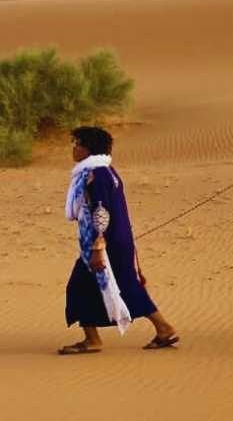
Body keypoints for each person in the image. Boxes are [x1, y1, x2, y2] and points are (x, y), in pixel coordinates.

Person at [60, 126, 180, 355]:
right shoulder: (106, 172)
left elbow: (101, 211)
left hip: (105, 244)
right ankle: (163, 328)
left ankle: (93, 340)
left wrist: (97, 246)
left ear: (88, 149)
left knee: (79, 287)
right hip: (117, 241)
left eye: (78, 144)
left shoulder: (96, 175)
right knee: (124, 285)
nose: (74, 149)